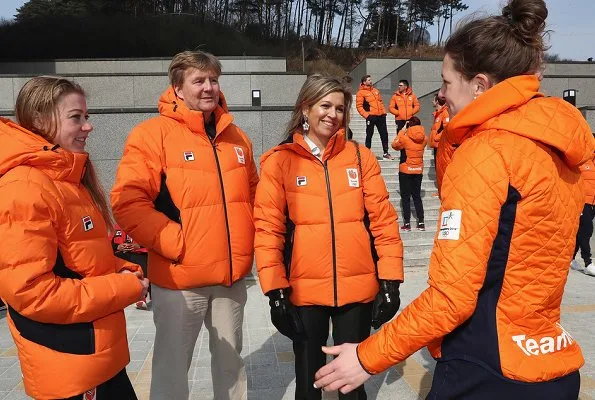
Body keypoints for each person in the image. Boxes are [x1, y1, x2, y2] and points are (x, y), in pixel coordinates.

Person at [313, 1, 593, 398]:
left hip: (486, 365)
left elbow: (452, 297)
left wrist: (366, 357)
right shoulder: (557, 148)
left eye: (445, 82)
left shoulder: (488, 151)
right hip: (548, 358)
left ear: (479, 85)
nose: (440, 96)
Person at [111, 50, 259, 400]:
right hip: (179, 280)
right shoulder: (151, 135)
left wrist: (250, 242)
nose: (209, 87)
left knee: (230, 364)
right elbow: (127, 202)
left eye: (213, 80)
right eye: (199, 81)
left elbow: (255, 196)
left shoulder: (236, 137)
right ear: (177, 88)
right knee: (172, 367)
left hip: (230, 279)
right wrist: (180, 244)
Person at [254, 74, 404, 400]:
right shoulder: (279, 161)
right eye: (325, 105)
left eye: (340, 107)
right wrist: (276, 293)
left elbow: (384, 222)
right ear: (305, 108)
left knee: (352, 385)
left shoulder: (360, 157)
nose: (332, 114)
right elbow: (268, 230)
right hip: (305, 292)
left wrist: (390, 282)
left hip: (357, 291)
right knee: (310, 383)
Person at [0, 76, 148, 400]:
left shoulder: (67, 180)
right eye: (76, 117)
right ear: (40, 120)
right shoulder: (25, 187)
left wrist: (124, 268)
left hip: (96, 360)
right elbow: (32, 293)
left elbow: (81, 261)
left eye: (87, 117)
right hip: (70, 365)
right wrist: (125, 287)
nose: (87, 126)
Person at [391, 116, 427, 232]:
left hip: (405, 170)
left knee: (405, 197)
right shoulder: (424, 139)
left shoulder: (405, 138)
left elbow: (394, 145)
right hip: (418, 170)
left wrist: (402, 130)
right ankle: (421, 222)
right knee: (416, 196)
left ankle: (407, 223)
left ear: (409, 125)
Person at [110, 224, 151, 309]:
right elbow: (108, 243)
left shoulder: (142, 225)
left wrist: (138, 246)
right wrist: (118, 246)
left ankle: (141, 297)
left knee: (142, 266)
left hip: (139, 253)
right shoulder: (115, 227)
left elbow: (151, 241)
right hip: (120, 254)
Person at [356, 75, 393, 160]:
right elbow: (359, 106)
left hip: (381, 116)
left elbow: (381, 102)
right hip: (371, 117)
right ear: (364, 82)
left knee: (384, 134)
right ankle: (367, 152)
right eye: (368, 80)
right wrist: (367, 116)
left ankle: (386, 153)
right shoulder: (361, 93)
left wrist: (384, 113)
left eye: (370, 79)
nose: (370, 81)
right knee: (369, 134)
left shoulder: (376, 91)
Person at [571, 151, 595, 276]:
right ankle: (588, 263)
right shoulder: (582, 160)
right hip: (582, 201)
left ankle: (571, 258)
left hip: (593, 204)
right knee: (587, 230)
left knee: (580, 232)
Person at [429, 94, 449, 197]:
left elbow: (446, 129)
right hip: (436, 145)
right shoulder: (437, 114)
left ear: (437, 101)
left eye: (433, 100)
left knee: (441, 168)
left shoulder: (444, 113)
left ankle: (443, 191)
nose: (432, 102)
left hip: (440, 145)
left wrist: (436, 138)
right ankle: (440, 190)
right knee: (438, 168)